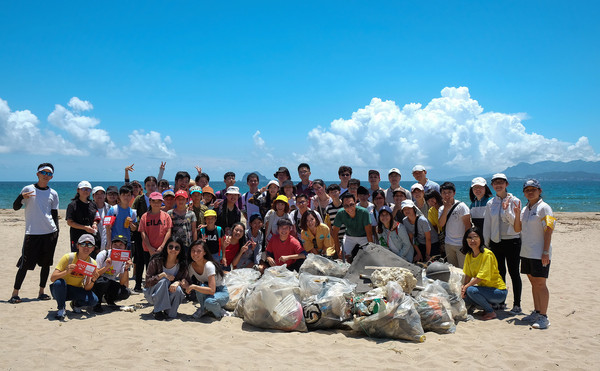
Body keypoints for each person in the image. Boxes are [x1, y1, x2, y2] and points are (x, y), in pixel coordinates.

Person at [10, 163, 59, 304]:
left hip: (50, 233)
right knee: (24, 264)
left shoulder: (53, 193)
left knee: (45, 265)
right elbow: (15, 207)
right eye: (44, 172)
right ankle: (15, 293)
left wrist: (56, 234)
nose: (46, 175)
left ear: (52, 177)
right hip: (32, 233)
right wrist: (20, 197)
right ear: (37, 174)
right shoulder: (28, 189)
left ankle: (41, 292)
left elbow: (54, 215)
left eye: (49, 173)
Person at [514, 179, 555, 330]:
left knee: (540, 284)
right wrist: (517, 214)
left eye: (533, 189)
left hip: (539, 253)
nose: (530, 192)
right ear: (524, 193)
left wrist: (545, 251)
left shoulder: (544, 208)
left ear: (540, 191)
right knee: (533, 283)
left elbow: (549, 230)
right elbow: (517, 229)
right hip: (526, 252)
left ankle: (544, 317)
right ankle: (537, 312)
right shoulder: (525, 209)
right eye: (527, 190)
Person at [483, 173, 522, 313]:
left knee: (514, 273)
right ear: (492, 185)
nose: (498, 185)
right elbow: (487, 224)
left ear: (507, 184)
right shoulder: (490, 203)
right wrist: (486, 243)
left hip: (512, 241)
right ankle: (501, 301)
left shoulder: (515, 201)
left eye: (501, 182)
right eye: (495, 183)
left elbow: (516, 223)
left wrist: (506, 210)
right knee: (499, 273)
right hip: (496, 242)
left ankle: (517, 304)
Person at [460, 227, 507, 321]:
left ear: (481, 239)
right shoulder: (469, 255)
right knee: (464, 296)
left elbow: (480, 277)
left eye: (475, 237)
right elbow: (468, 275)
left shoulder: (487, 254)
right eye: (469, 238)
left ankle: (490, 311)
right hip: (485, 290)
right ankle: (485, 306)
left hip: (498, 292)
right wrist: (463, 288)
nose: (472, 240)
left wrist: (466, 287)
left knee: (471, 290)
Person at [49, 234, 99, 319]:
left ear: (93, 248)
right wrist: (66, 272)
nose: (86, 247)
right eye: (83, 244)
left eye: (90, 245)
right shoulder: (68, 257)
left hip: (76, 290)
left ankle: (76, 304)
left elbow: (87, 288)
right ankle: (61, 308)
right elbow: (52, 278)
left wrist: (93, 280)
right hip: (61, 289)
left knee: (94, 300)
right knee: (59, 283)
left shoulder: (92, 263)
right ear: (78, 246)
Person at [182, 240, 230, 319]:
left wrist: (193, 286)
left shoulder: (209, 265)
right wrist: (185, 283)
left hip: (221, 291)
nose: (195, 254)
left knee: (209, 302)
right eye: (193, 251)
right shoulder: (191, 266)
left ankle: (220, 312)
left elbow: (212, 290)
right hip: (207, 288)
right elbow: (187, 279)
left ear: (204, 253)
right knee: (200, 288)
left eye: (199, 251)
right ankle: (203, 309)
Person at [144, 237, 188, 320]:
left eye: (177, 247)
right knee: (164, 280)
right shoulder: (156, 260)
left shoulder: (182, 264)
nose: (173, 249)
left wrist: (178, 282)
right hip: (152, 293)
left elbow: (186, 281)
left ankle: (168, 312)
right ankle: (158, 310)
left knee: (178, 290)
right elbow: (147, 282)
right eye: (170, 247)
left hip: (169, 293)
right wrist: (161, 275)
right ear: (166, 248)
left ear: (180, 250)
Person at [131, 176, 158, 293]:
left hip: (153, 232)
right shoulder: (139, 198)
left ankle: (149, 283)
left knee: (150, 259)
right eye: (148, 185)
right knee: (139, 258)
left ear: (156, 186)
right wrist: (137, 223)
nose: (150, 187)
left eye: (153, 185)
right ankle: (137, 284)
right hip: (139, 232)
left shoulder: (157, 198)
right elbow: (133, 212)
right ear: (145, 186)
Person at [92, 235, 133, 312]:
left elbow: (122, 282)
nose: (118, 247)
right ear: (111, 245)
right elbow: (95, 274)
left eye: (121, 245)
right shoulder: (104, 254)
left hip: (109, 282)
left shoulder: (123, 258)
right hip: (97, 282)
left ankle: (109, 299)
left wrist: (126, 268)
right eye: (115, 244)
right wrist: (107, 267)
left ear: (125, 247)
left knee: (126, 292)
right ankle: (97, 303)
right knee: (104, 281)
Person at [332, 193, 374, 262]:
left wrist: (371, 250)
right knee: (342, 257)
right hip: (349, 236)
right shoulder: (340, 213)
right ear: (342, 205)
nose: (349, 208)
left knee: (370, 256)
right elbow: (334, 233)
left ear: (355, 203)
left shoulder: (364, 212)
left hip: (364, 236)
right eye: (346, 206)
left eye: (351, 204)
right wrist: (338, 251)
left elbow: (369, 233)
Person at [138, 192, 172, 275]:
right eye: (154, 201)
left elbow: (168, 231)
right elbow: (143, 232)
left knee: (162, 271)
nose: (156, 204)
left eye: (158, 201)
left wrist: (162, 246)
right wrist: (149, 247)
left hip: (162, 249)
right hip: (148, 250)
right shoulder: (144, 216)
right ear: (150, 202)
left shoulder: (166, 216)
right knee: (150, 271)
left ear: (162, 202)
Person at [438, 182, 471, 268]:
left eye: (449, 192)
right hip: (448, 243)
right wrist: (445, 209)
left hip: (461, 243)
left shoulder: (461, 206)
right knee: (453, 270)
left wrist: (466, 243)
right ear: (441, 194)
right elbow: (441, 224)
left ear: (454, 193)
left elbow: (468, 225)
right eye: (444, 193)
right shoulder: (441, 209)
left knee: (464, 269)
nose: (447, 195)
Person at [66, 181, 100, 254]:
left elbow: (96, 217)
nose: (86, 191)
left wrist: (94, 224)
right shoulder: (72, 205)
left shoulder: (93, 204)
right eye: (83, 189)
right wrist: (84, 227)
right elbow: (69, 222)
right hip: (77, 236)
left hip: (92, 236)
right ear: (78, 190)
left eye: (88, 189)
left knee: (91, 257)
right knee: (78, 256)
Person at [106, 185, 138, 250]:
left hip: (126, 244)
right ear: (119, 196)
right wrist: (109, 244)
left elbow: (134, 229)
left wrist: (131, 224)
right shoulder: (112, 210)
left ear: (132, 197)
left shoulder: (133, 212)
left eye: (128, 195)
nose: (126, 197)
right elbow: (107, 227)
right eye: (123, 195)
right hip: (114, 244)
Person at [92, 186, 110, 251]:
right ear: (93, 196)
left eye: (102, 193)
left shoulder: (109, 208)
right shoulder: (90, 208)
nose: (99, 196)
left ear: (105, 195)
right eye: (97, 194)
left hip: (106, 239)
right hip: (94, 239)